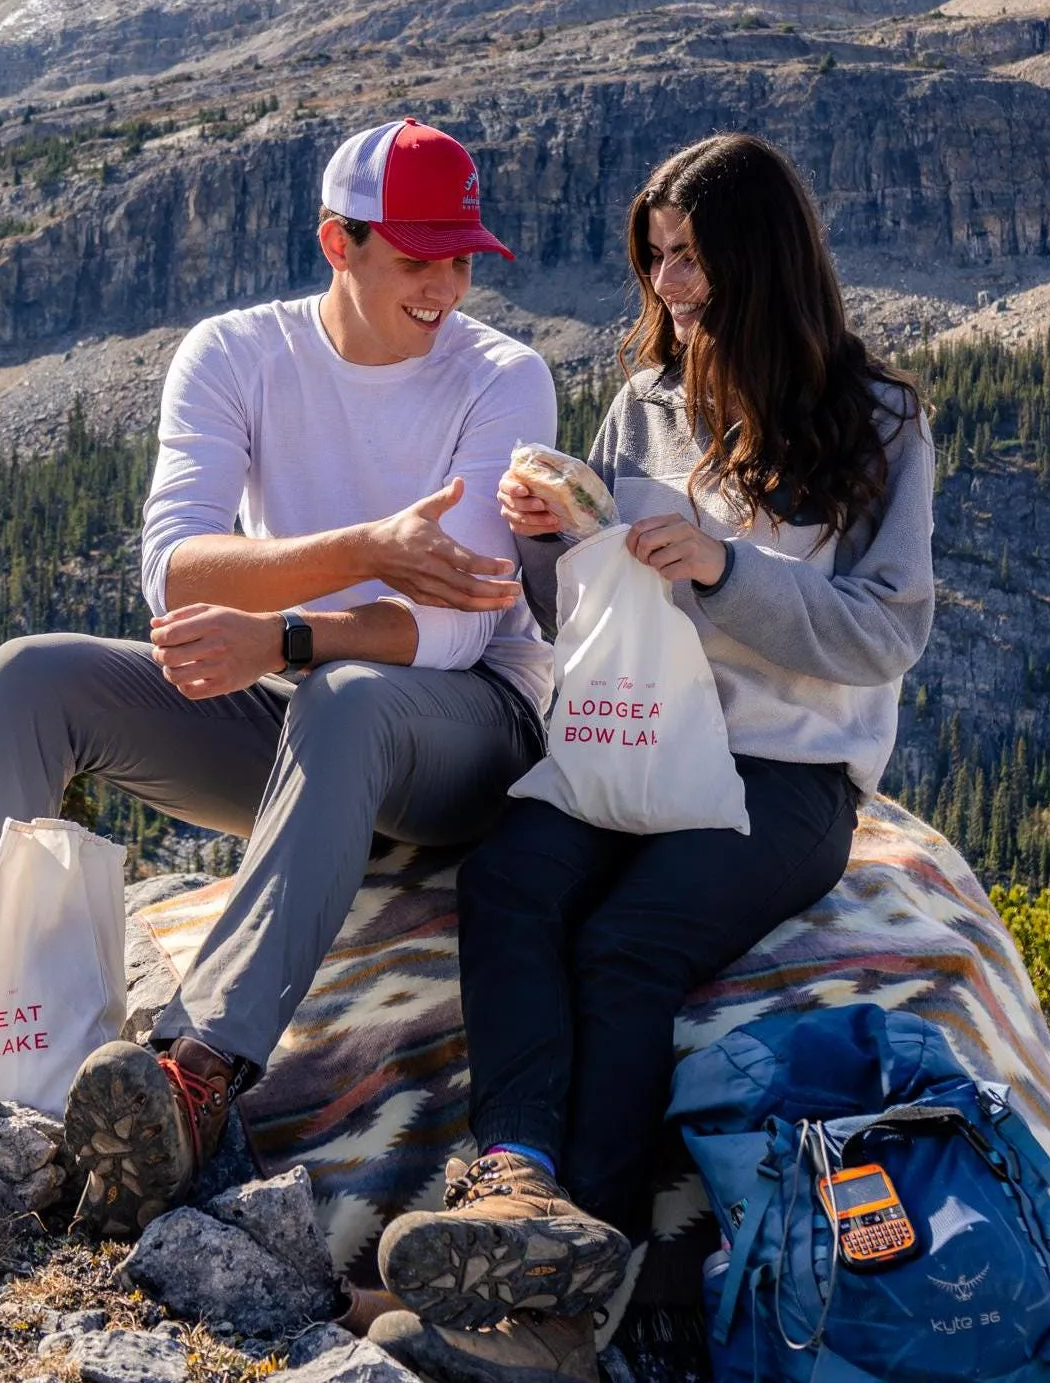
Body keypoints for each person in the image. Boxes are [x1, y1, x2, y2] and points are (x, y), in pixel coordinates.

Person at [0, 117, 558, 1235]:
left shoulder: (504, 376)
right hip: (300, 708)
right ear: (337, 243)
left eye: (462, 258)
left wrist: (286, 637)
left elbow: (457, 632)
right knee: (33, 677)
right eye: (419, 256)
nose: (446, 285)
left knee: (350, 698)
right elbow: (175, 571)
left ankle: (195, 1075)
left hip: (460, 737)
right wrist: (360, 553)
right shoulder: (235, 353)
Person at [370, 133, 936, 1383]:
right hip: (637, 732)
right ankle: (517, 1183)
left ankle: (587, 1279)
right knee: (513, 876)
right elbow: (589, 606)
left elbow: (887, 628)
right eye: (658, 260)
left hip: (784, 773)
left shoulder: (877, 418)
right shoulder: (642, 404)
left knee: (628, 944)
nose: (670, 286)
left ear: (758, 257)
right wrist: (548, 538)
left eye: (690, 257)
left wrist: (727, 567)